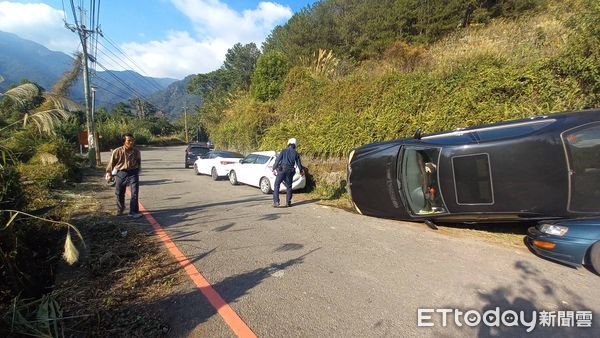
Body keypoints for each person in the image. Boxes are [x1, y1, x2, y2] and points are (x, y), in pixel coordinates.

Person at [105, 133, 143, 218]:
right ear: (124, 141)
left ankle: (133, 211)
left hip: (133, 172)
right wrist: (109, 173)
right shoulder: (117, 151)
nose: (131, 142)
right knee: (119, 192)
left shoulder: (136, 151)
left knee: (135, 192)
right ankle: (120, 209)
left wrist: (138, 171)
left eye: (132, 140)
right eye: (129, 140)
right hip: (121, 172)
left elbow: (138, 162)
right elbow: (111, 163)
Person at [272, 138, 304, 208]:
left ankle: (276, 202)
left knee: (277, 185)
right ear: (295, 145)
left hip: (282, 170)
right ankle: (288, 202)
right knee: (289, 187)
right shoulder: (296, 153)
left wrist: (274, 168)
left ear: (289, 143)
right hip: (290, 171)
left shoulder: (283, 151)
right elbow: (299, 164)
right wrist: (301, 171)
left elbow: (278, 160)